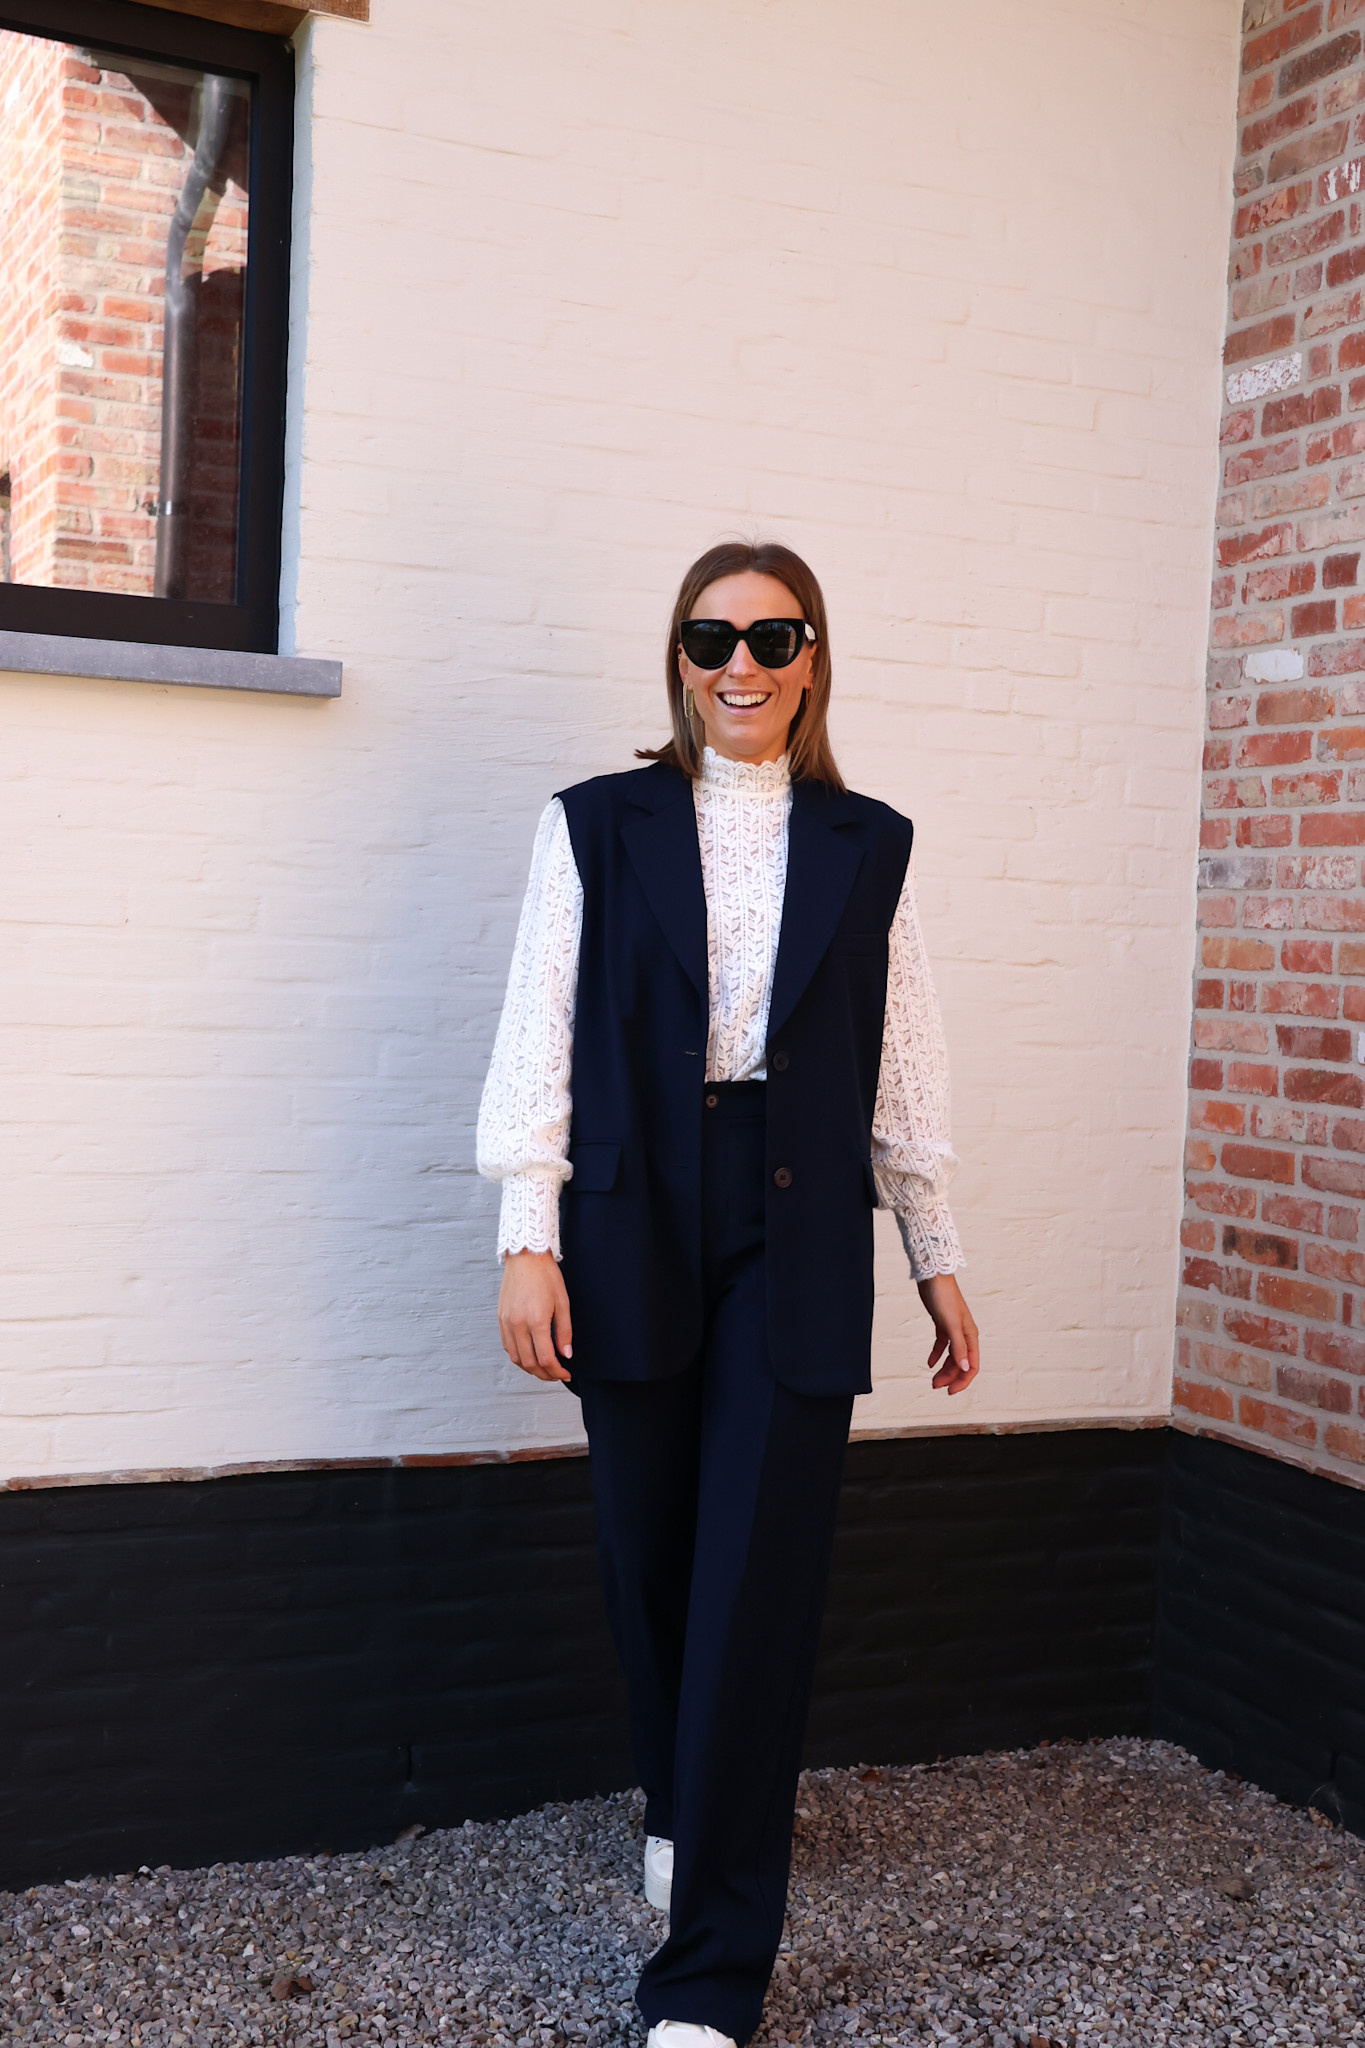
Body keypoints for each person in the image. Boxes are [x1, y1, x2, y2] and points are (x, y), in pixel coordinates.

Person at [477, 540, 979, 2048]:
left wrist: (934, 1249)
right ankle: (679, 1805)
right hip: (633, 1215)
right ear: (680, 661)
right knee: (647, 1555)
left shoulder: (868, 844)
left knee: (756, 1584)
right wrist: (526, 1229)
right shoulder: (597, 824)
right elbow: (539, 1021)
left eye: (771, 638)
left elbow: (900, 1063)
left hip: (797, 1226)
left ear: (813, 660)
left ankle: (709, 1971)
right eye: (712, 640)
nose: (740, 666)